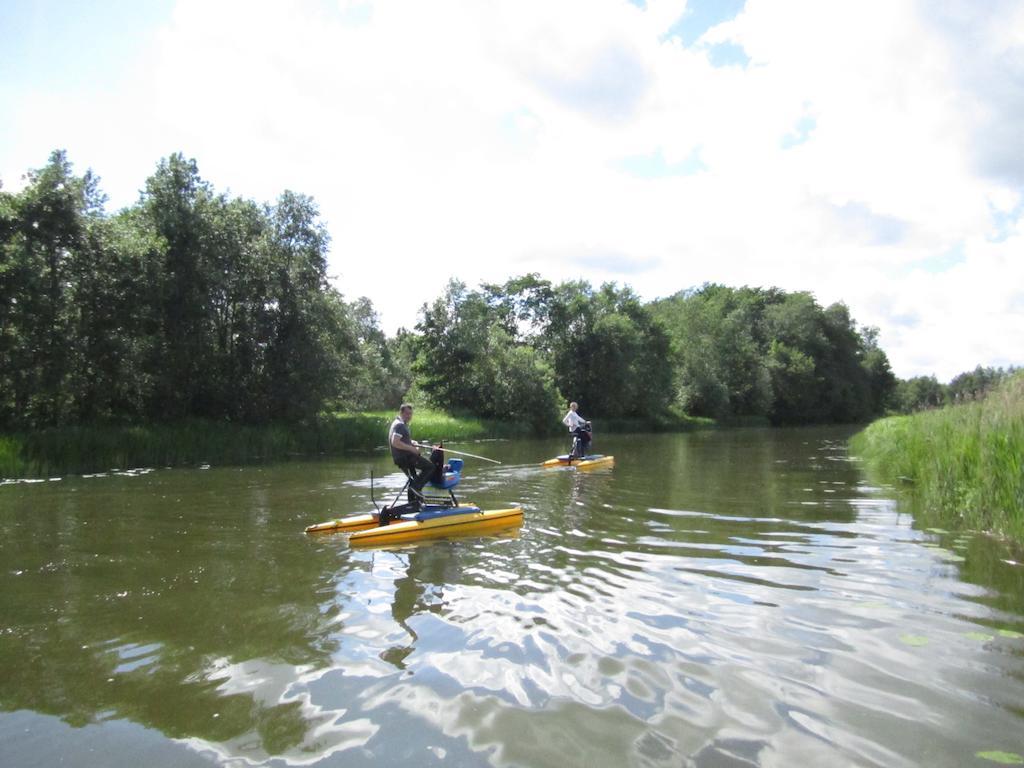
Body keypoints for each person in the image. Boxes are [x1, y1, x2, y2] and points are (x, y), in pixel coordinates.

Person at [389, 404, 436, 501]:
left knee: (413, 480)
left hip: (401, 458)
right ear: (401, 413)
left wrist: (412, 442)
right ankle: (416, 489)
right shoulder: (400, 425)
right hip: (406, 457)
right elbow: (395, 442)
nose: (409, 416)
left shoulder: (398, 423)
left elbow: (401, 440)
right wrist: (412, 449)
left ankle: (413, 503)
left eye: (410, 414)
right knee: (430, 467)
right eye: (407, 414)